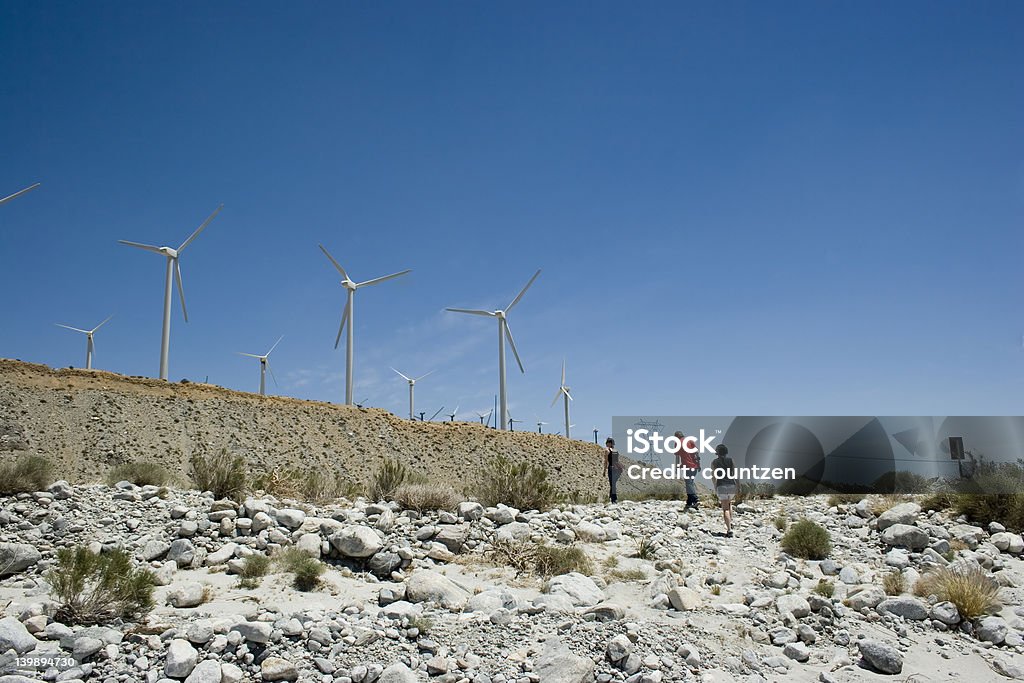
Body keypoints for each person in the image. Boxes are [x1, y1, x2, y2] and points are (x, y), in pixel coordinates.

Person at [710, 443, 738, 537]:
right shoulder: (731, 460)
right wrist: (738, 485)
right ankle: (731, 522)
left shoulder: (714, 462)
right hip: (731, 485)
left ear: (717, 453)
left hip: (721, 485)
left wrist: (715, 486)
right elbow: (735, 474)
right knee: (729, 503)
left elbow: (713, 477)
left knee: (725, 508)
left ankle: (729, 530)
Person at [674, 430, 700, 510]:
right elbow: (697, 453)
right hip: (694, 466)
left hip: (686, 466)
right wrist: (699, 464)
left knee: (689, 483)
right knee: (690, 483)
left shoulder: (677, 443)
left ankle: (695, 499)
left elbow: (677, 456)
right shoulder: (690, 440)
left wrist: (676, 467)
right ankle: (689, 503)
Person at [605, 437, 623, 503]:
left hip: (611, 468)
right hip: (617, 469)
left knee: (612, 484)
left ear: (609, 443)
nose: (605, 444)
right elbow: (617, 460)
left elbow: (606, 461)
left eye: (607, 442)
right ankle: (611, 497)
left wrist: (604, 471)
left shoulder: (607, 450)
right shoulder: (615, 451)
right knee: (613, 484)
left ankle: (614, 499)